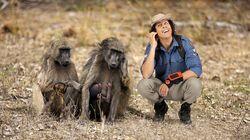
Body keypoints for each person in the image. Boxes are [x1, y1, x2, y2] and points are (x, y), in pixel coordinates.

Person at [137, 13, 202, 124]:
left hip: (181, 86)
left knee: (195, 84)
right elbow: (146, 75)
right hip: (161, 89)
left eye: (166, 23)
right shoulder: (152, 46)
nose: (164, 26)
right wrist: (153, 46)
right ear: (155, 32)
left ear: (171, 26)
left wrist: (170, 81)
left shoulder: (184, 42)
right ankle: (161, 107)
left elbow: (196, 69)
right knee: (143, 84)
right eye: (159, 25)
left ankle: (185, 110)